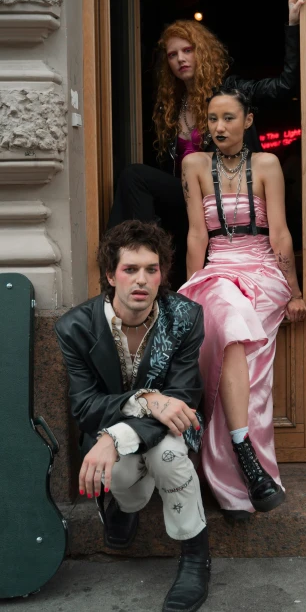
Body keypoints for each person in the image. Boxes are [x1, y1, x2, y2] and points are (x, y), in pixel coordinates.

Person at [55, 221, 210, 612]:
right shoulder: (75, 328)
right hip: (117, 431)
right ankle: (125, 507)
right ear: (111, 275)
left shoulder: (185, 317)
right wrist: (144, 399)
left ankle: (195, 554)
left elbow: (182, 399)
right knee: (120, 474)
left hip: (171, 429)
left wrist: (114, 437)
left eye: (151, 269)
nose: (141, 280)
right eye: (130, 269)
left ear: (162, 275)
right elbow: (85, 406)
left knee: (168, 456)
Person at [108, 0, 305, 286]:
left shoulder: (231, 92)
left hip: (229, 193)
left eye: (188, 50)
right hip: (190, 199)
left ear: (203, 53)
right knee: (133, 180)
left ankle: (143, 260)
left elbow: (286, 85)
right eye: (173, 55)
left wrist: (293, 23)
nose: (180, 59)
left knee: (134, 176)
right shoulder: (171, 106)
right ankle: (132, 265)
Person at [178, 87, 306, 521]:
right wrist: (191, 292)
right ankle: (242, 473)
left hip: (263, 274)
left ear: (248, 121)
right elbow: (197, 234)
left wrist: (295, 290)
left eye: (229, 118)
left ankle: (244, 483)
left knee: (249, 381)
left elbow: (281, 234)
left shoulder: (267, 164)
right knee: (228, 319)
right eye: (212, 119)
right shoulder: (193, 165)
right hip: (216, 272)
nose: (218, 127)